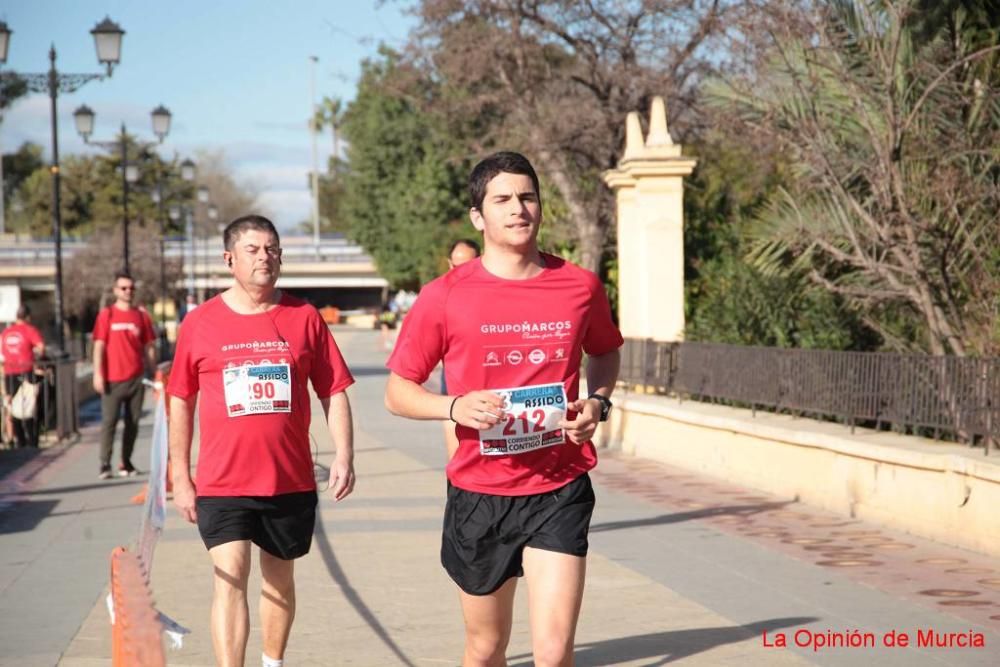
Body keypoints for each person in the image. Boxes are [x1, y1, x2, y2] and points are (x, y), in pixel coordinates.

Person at [385, 152, 622, 666]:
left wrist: (598, 403)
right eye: (502, 199)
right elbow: (398, 390)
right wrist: (454, 406)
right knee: (487, 646)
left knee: (555, 652)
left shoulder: (579, 286)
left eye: (527, 196)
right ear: (479, 216)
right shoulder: (444, 296)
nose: (518, 208)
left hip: (559, 487)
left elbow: (604, 351)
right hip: (480, 494)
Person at [167, 214, 356, 667]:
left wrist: (344, 456)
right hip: (222, 482)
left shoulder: (304, 317)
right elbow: (180, 400)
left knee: (279, 581)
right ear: (229, 258)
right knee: (229, 576)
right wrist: (180, 473)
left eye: (272, 249)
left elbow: (333, 390)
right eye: (253, 250)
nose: (265, 258)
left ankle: (273, 661)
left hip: (287, 479)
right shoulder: (200, 323)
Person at [92, 271, 157, 479]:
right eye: (123, 288)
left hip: (136, 378)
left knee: (133, 422)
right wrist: (97, 374)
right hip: (112, 379)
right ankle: (104, 463)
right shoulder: (107, 315)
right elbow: (99, 346)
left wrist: (154, 372)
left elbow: (149, 347)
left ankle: (125, 462)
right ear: (115, 291)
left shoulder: (141, 315)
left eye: (131, 288)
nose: (128, 291)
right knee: (109, 422)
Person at [440, 239, 481, 461]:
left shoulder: (494, 290)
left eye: (470, 264)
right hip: (455, 374)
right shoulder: (441, 295)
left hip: (491, 374)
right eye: (457, 266)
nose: (463, 272)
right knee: (451, 419)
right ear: (449, 264)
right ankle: (456, 474)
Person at [0, 305, 46, 448]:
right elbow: (41, 348)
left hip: (9, 373)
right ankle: (32, 440)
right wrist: (36, 357)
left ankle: (18, 440)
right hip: (26, 371)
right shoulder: (30, 330)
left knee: (13, 408)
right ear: (28, 317)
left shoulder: (6, 333)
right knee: (29, 407)